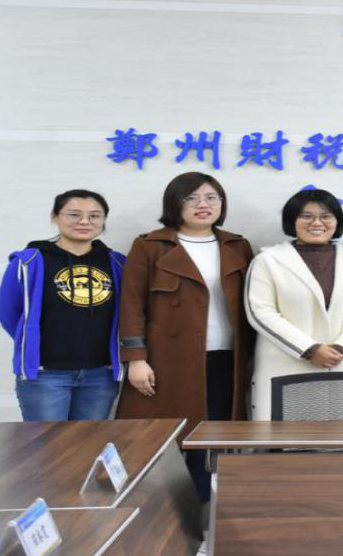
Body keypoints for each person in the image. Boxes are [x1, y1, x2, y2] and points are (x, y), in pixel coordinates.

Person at [116, 172, 255, 502]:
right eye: (191, 198)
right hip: (168, 359)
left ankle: (208, 514)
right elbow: (131, 304)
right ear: (174, 204)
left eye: (211, 197)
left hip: (227, 358)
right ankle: (169, 517)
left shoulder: (237, 245)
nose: (202, 205)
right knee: (167, 439)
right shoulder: (150, 245)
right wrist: (136, 359)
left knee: (216, 438)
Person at [245, 189, 343, 420]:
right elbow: (260, 312)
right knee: (287, 436)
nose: (317, 223)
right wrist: (309, 350)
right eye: (306, 216)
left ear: (337, 221)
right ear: (292, 220)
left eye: (326, 216)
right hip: (287, 364)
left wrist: (341, 348)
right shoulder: (268, 260)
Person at [0, 189, 126, 421]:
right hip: (45, 374)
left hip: (101, 374)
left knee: (88, 441)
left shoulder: (117, 263)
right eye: (74, 214)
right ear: (55, 217)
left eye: (95, 216)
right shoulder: (28, 261)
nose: (84, 221)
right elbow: (8, 312)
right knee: (48, 443)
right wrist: (34, 342)